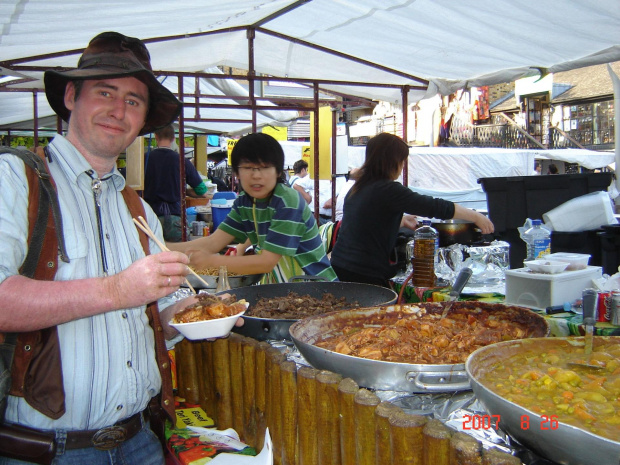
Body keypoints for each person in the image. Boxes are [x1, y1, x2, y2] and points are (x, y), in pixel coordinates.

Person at [0, 31, 222, 465]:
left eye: (134, 101)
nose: (119, 111)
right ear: (70, 95)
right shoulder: (14, 178)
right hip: (49, 451)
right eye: (105, 92)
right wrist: (119, 290)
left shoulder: (137, 208)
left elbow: (155, 314)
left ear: (143, 121)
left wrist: (195, 314)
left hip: (142, 439)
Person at [167, 133, 337, 283]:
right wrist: (159, 248)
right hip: (284, 287)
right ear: (236, 172)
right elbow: (212, 243)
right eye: (248, 168)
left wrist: (210, 262)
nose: (256, 175)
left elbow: (266, 262)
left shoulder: (287, 201)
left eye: (264, 168)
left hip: (315, 286)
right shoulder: (244, 202)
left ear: (278, 172)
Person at [330, 133, 494, 287]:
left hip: (341, 265)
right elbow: (433, 206)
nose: (402, 167)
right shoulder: (388, 189)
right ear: (392, 162)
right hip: (364, 273)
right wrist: (475, 216)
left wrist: (400, 220)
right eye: (402, 161)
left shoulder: (359, 187)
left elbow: (364, 219)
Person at [144, 124, 209, 242]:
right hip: (175, 218)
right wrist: (184, 191)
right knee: (179, 256)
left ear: (156, 137)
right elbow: (202, 190)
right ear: (173, 139)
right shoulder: (182, 161)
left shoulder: (144, 159)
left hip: (149, 218)